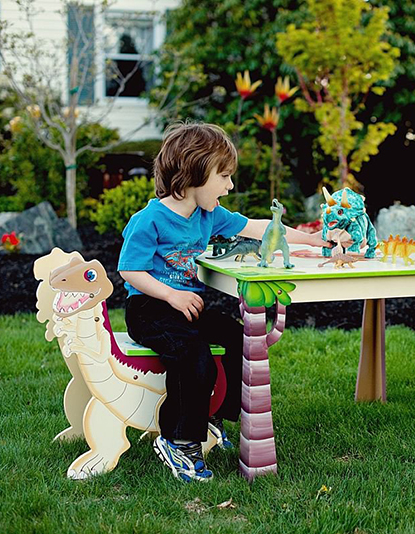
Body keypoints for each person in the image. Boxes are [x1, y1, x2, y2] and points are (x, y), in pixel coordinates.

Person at [118, 122, 331, 481]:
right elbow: (130, 271)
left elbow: (262, 228)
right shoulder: (149, 220)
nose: (230, 186)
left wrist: (317, 240)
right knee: (193, 354)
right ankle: (179, 440)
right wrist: (171, 294)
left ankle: (213, 416)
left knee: (238, 337)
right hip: (150, 309)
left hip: (186, 307)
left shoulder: (208, 215)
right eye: (224, 176)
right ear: (193, 173)